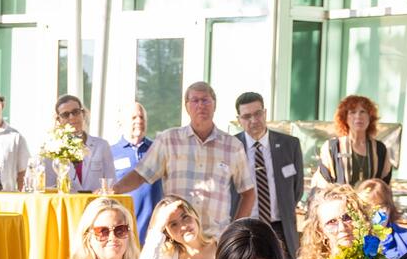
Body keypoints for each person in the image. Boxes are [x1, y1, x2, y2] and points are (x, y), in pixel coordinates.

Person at [110, 82, 255, 238]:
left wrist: (234, 232)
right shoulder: (168, 140)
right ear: (187, 107)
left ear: (214, 105)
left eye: (205, 100)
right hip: (176, 240)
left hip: (216, 241)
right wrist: (113, 190)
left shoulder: (233, 146)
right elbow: (141, 175)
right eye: (195, 100)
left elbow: (248, 193)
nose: (201, 105)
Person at [232, 92, 304, 259]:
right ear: (239, 120)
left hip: (281, 229)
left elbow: (297, 189)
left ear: (265, 113)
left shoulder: (290, 145)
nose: (254, 120)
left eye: (257, 114)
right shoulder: (230, 146)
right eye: (247, 116)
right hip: (246, 229)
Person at [314, 95, 393, 187]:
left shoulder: (380, 149)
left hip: (372, 201)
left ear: (370, 117)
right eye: (353, 112)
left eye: (363, 112)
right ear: (345, 118)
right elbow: (322, 182)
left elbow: (385, 184)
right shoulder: (332, 147)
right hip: (339, 200)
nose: (358, 116)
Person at [110, 102, 161, 238]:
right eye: (133, 118)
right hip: (123, 227)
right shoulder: (110, 153)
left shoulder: (158, 149)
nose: (138, 121)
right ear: (121, 122)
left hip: (154, 228)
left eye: (142, 117)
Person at [355, 179, 407, 259]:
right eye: (367, 207)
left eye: (380, 206)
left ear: (389, 207)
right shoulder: (355, 238)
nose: (374, 212)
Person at [51, 95, 116, 192]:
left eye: (76, 112)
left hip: (96, 204)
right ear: (58, 120)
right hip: (66, 205)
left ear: (83, 114)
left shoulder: (101, 146)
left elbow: (111, 182)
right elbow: (46, 188)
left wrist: (104, 191)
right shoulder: (52, 150)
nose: (72, 117)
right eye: (65, 114)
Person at [292, 184, 363, 259]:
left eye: (347, 217)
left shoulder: (376, 258)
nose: (342, 228)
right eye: (332, 222)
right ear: (320, 230)